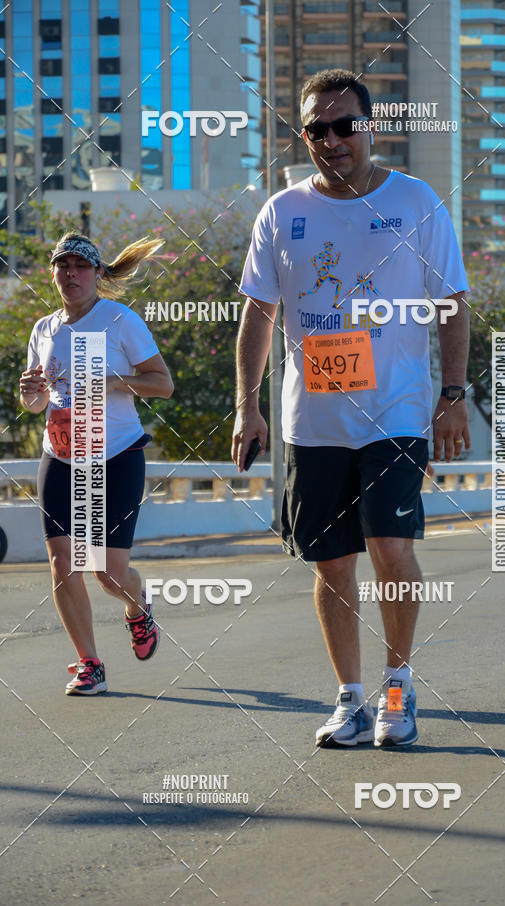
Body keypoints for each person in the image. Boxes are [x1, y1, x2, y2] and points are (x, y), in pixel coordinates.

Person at [232, 69, 471, 748]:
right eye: (317, 129)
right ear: (303, 134)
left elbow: (451, 304)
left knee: (390, 548)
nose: (331, 140)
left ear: (370, 128)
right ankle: (350, 699)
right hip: (314, 421)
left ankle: (398, 686)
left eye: (345, 126)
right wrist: (248, 407)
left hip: (395, 411)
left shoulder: (417, 202)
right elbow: (258, 315)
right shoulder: (281, 212)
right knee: (331, 564)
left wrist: (453, 396)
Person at [19, 231, 174, 695]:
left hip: (116, 454)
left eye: (80, 266)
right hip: (61, 454)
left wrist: (114, 381)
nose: (71, 274)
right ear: (53, 274)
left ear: (98, 275)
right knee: (62, 560)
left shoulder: (120, 321)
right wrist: (30, 394)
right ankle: (90, 663)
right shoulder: (44, 329)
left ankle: (137, 608)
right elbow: (32, 402)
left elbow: (162, 384)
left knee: (106, 572)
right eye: (62, 266)